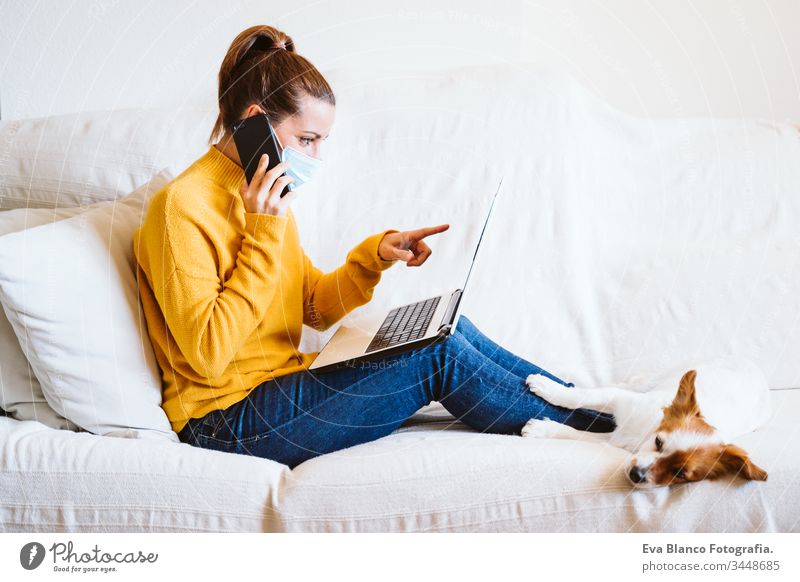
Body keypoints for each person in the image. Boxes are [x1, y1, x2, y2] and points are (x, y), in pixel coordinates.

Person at [132, 24, 615, 470]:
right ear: (256, 121)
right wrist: (262, 230)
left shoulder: (264, 195)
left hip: (282, 383)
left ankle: (598, 408)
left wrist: (374, 256)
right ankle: (611, 436)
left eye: (323, 140)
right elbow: (208, 354)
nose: (317, 156)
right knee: (436, 358)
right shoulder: (183, 207)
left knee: (447, 328)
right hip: (225, 423)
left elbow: (312, 309)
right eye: (308, 138)